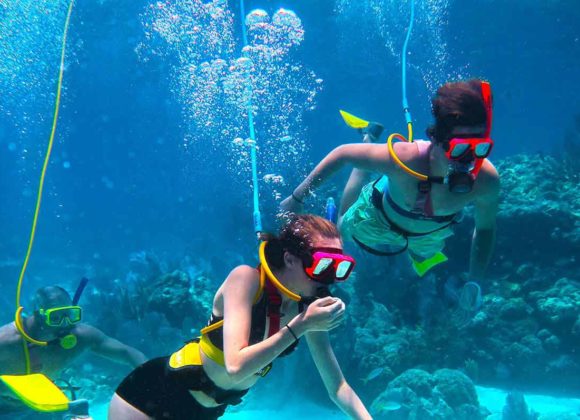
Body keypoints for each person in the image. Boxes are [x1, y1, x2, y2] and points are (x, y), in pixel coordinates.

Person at [109, 214, 371, 419]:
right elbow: (235, 367)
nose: (330, 278)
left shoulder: (307, 310)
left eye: (339, 267)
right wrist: (300, 326)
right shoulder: (246, 280)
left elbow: (337, 387)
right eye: (323, 264)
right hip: (151, 397)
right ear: (290, 259)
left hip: (207, 412)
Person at [281, 80, 499, 291]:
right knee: (342, 231)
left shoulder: (486, 180)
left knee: (425, 259)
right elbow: (343, 155)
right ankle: (368, 136)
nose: (468, 159)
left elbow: (485, 229)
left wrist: (474, 282)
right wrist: (297, 198)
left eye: (480, 149)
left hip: (431, 234)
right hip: (378, 218)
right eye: (460, 149)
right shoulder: (405, 159)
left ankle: (416, 252)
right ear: (436, 139)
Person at [0, 284, 147, 413]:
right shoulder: (7, 341)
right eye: (55, 317)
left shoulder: (82, 336)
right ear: (39, 315)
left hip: (46, 408)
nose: (65, 323)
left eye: (70, 314)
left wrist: (154, 379)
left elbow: (126, 352)